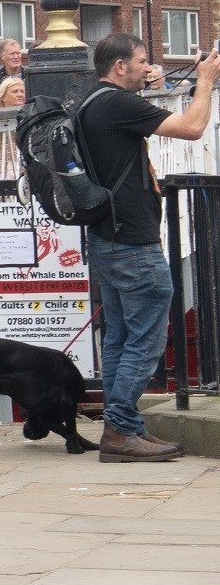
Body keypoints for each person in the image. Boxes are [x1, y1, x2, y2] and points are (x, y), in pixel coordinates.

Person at [75, 33, 220, 462]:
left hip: (108, 238)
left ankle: (124, 429)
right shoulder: (117, 103)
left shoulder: (91, 102)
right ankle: (120, 430)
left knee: (121, 337)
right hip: (133, 244)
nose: (147, 66)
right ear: (119, 66)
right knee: (145, 342)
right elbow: (192, 128)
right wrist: (207, 79)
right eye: (141, 60)